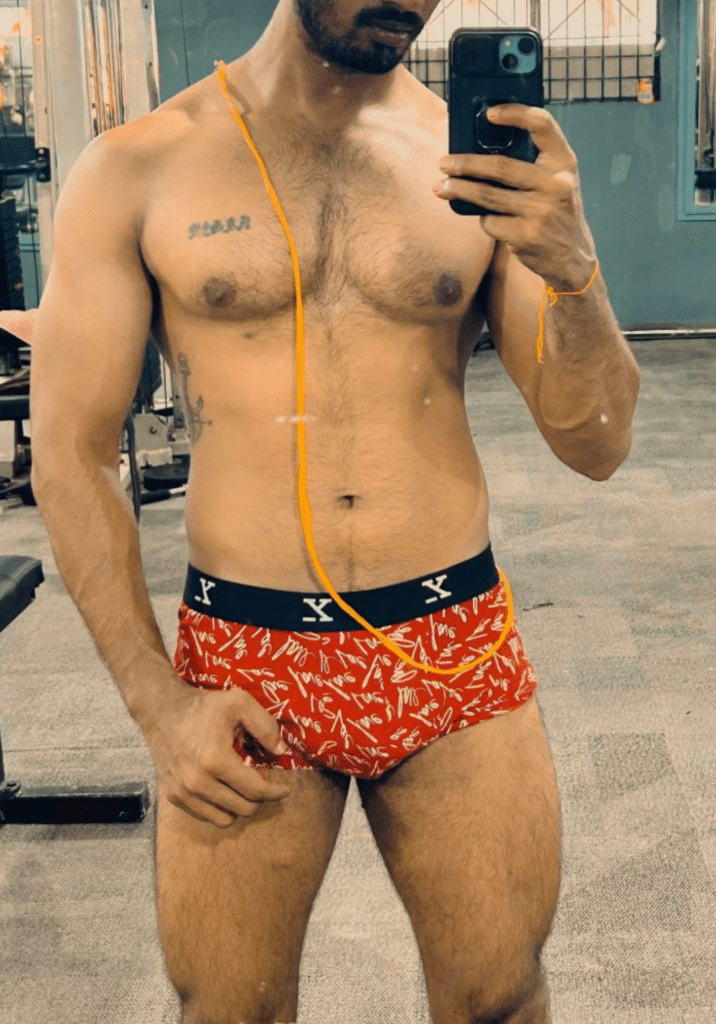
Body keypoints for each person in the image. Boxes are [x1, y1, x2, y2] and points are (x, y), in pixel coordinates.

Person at [29, 2, 640, 1023]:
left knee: (499, 998)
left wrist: (575, 271)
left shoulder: (471, 167)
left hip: (449, 645)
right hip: (248, 655)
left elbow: (598, 443)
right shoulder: (140, 167)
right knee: (230, 1012)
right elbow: (70, 453)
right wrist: (157, 705)